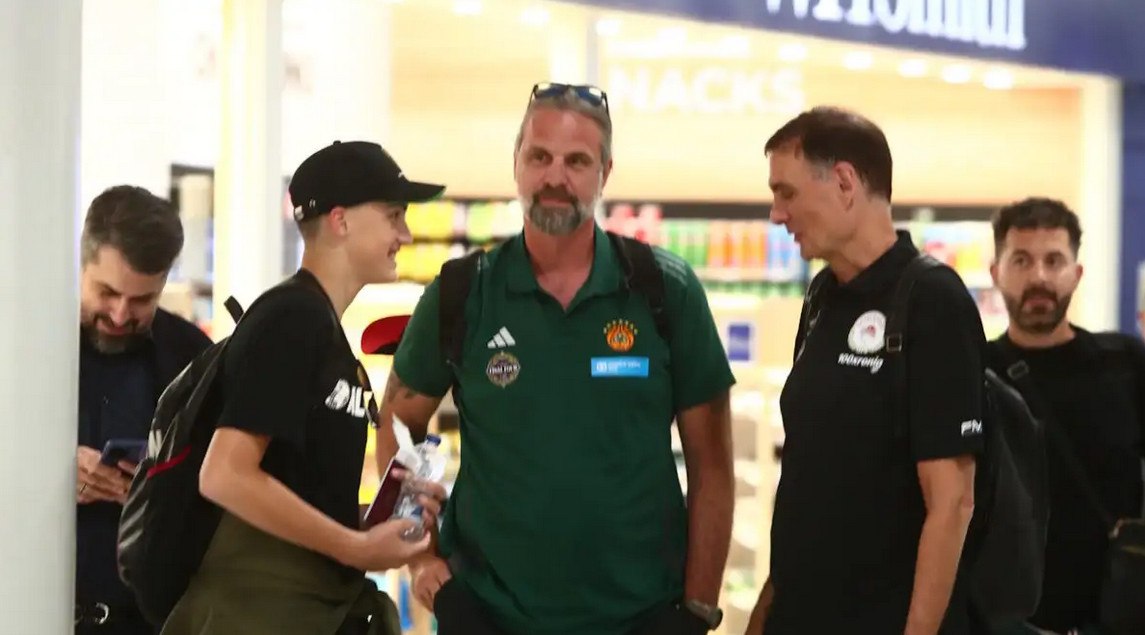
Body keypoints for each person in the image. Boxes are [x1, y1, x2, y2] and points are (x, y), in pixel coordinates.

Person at [377, 82, 736, 635]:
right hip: (489, 617)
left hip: (641, 618)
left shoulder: (665, 291)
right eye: (539, 157)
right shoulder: (462, 293)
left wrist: (698, 609)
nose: (555, 178)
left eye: (577, 162)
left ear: (605, 172)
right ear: (516, 164)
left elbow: (712, 467)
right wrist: (421, 559)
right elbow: (397, 423)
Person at [160, 141, 448, 634]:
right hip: (254, 615)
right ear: (340, 220)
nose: (405, 233)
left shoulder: (321, 326)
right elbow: (224, 474)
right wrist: (356, 547)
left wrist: (375, 524)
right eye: (393, 215)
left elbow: (295, 490)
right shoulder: (291, 318)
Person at [746, 106, 984, 635]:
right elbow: (806, 479)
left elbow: (951, 503)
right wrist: (765, 613)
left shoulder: (932, 300)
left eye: (787, 193)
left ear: (845, 182)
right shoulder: (821, 297)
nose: (777, 215)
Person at [986, 197, 1145, 635]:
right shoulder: (973, 374)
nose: (1039, 276)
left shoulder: (1126, 365)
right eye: (1021, 260)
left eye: (1054, 260)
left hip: (1114, 617)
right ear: (996, 272)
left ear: (1076, 273)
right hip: (1005, 623)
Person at [76, 185, 213, 634]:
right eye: (107, 292)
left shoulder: (192, 357)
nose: (119, 315)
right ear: (82, 264)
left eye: (141, 301)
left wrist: (161, 489)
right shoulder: (18, 337)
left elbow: (219, 484)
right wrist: (42, 472)